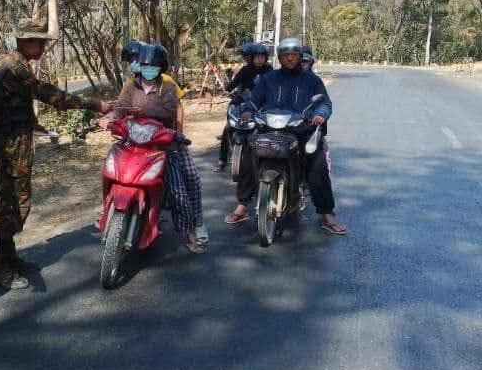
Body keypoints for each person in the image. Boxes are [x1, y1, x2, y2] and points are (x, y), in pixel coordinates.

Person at [0, 5, 112, 290]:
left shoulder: (16, 65)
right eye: (40, 42)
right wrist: (95, 105)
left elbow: (14, 102)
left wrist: (33, 123)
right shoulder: (14, 67)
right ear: (26, 41)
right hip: (11, 146)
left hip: (17, 140)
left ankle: (9, 258)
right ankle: (2, 268)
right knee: (14, 204)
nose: (44, 48)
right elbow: (50, 95)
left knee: (15, 201)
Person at [226, 38, 347, 235]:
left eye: (293, 55)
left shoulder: (312, 80)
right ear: (280, 58)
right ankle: (242, 206)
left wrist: (320, 114)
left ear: (299, 57)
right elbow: (255, 99)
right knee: (249, 154)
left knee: (317, 165)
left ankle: (327, 214)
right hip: (270, 128)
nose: (290, 58)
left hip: (300, 129)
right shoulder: (269, 78)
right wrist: (247, 110)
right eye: (285, 55)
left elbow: (325, 103)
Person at [109, 44, 207, 253]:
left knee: (180, 189)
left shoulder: (168, 86)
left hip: (163, 144)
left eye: (153, 66)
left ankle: (191, 230)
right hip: (135, 141)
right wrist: (111, 119)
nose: (148, 69)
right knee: (114, 167)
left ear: (161, 67)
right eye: (145, 65)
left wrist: (177, 132)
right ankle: (110, 209)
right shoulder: (131, 86)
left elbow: (169, 109)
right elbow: (120, 108)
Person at [214, 42, 272, 171]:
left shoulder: (270, 71)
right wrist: (227, 89)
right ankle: (222, 160)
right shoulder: (245, 70)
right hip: (244, 102)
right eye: (256, 57)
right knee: (228, 127)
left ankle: (269, 158)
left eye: (262, 57)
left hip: (263, 105)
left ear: (266, 58)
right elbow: (233, 84)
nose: (259, 59)